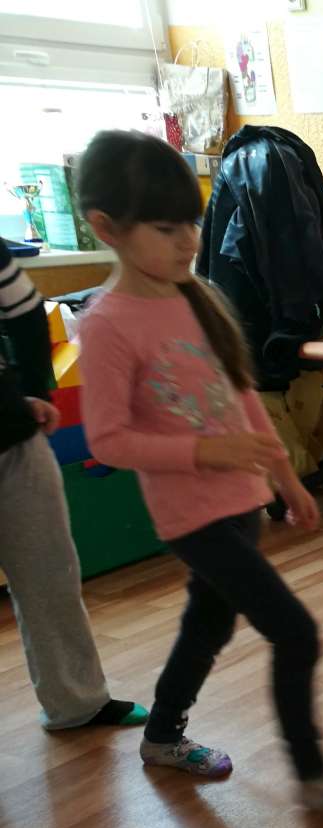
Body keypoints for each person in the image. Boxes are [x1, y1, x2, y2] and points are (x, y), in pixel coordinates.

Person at [74, 130, 323, 818]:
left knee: (207, 625)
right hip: (192, 515)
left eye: (191, 221)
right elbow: (108, 440)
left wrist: (288, 479)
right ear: (107, 228)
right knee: (295, 631)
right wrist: (206, 454)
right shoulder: (107, 324)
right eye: (165, 228)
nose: (188, 239)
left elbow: (241, 399)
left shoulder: (197, 297)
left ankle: (161, 735)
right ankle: (314, 776)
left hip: (242, 499)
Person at [0, 238, 145, 732]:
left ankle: (77, 703)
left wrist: (31, 391)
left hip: (12, 436)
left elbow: (25, 311)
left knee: (50, 573)